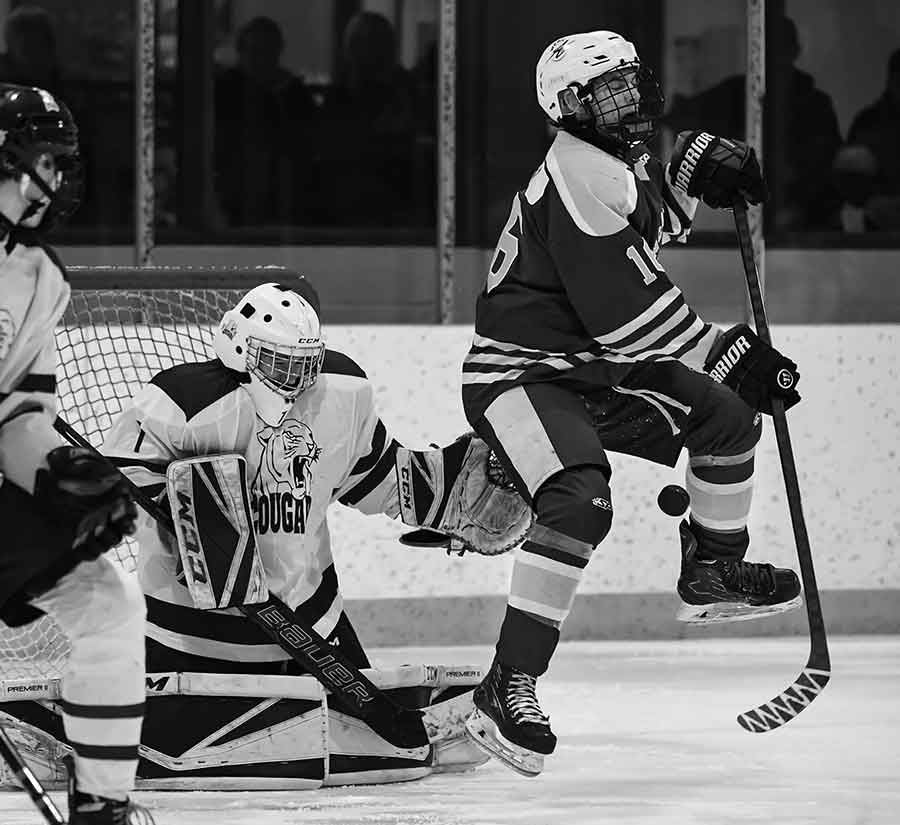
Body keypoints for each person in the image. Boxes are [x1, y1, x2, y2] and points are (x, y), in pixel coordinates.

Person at [459, 31, 804, 777]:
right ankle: (507, 682)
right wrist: (731, 353)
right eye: (609, 89)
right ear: (569, 104)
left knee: (726, 416)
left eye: (629, 83)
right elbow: (630, 316)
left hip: (595, 370)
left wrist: (690, 173)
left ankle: (711, 568)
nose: (629, 98)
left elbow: (650, 228)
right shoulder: (576, 171)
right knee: (579, 500)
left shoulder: (613, 159)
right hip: (521, 376)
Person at [94, 279, 496, 785]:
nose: (296, 378)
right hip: (189, 632)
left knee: (376, 751)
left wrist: (441, 491)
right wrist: (176, 512)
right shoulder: (181, 402)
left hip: (308, 625)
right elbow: (111, 488)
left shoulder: (341, 397)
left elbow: (376, 477)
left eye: (305, 363)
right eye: (281, 362)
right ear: (239, 346)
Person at [0, 84, 150, 824]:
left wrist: (58, 473)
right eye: (49, 160)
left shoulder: (41, 279)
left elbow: (19, 413)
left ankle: (103, 808)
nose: (62, 177)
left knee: (110, 604)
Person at [664, 15, 843, 231]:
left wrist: (797, 204)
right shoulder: (739, 92)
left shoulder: (817, 105)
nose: (776, 57)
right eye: (769, 50)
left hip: (810, 227)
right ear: (758, 52)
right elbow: (686, 117)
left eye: (782, 48)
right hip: (744, 218)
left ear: (795, 50)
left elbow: (825, 170)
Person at [315, 11, 418, 225]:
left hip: (404, 218)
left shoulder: (408, 92)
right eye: (358, 44)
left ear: (388, 48)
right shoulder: (338, 96)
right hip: (343, 214)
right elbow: (327, 154)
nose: (365, 53)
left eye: (374, 43)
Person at [214, 16, 318, 225]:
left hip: (286, 193)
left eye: (267, 51)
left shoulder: (292, 91)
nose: (260, 59)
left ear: (278, 53)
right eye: (254, 51)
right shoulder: (225, 90)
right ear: (241, 52)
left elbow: (309, 139)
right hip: (236, 190)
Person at [833, 48, 900, 231]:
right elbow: (849, 181)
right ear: (892, 80)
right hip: (877, 239)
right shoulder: (869, 123)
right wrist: (871, 201)